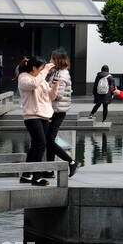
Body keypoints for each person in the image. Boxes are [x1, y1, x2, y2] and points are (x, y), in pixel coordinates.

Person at [17, 55, 58, 186]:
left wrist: (55, 86)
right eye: (41, 68)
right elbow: (33, 84)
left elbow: (51, 96)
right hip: (32, 116)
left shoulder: (41, 79)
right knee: (41, 144)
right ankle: (37, 177)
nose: (43, 71)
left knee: (36, 145)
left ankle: (26, 175)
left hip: (44, 115)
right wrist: (45, 70)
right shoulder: (23, 78)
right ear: (34, 68)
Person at [43, 49, 79, 179]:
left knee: (49, 140)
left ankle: (71, 162)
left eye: (52, 58)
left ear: (57, 60)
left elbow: (57, 95)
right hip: (54, 110)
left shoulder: (62, 75)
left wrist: (44, 91)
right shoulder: (57, 72)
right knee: (49, 140)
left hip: (57, 111)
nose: (50, 61)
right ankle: (50, 170)